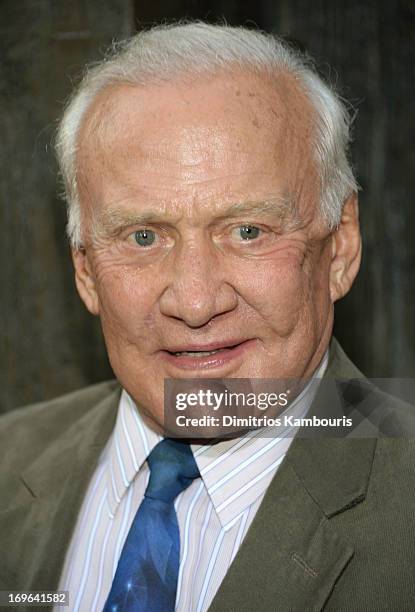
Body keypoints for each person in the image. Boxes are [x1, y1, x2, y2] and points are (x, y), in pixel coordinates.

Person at [1, 22, 414, 612]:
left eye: (248, 231)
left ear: (340, 246)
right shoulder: (9, 458)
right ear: (85, 270)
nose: (195, 303)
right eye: (143, 236)